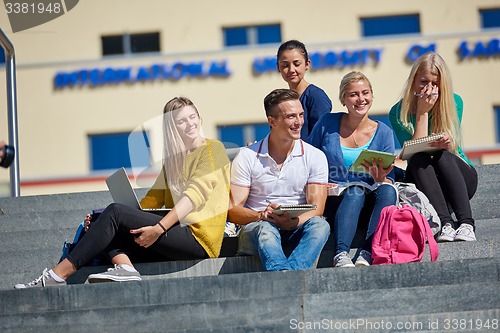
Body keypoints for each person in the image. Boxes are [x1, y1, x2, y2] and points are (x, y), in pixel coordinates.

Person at [15, 97, 231, 288]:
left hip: (198, 238)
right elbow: (151, 201)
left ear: (200, 119)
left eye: (193, 117)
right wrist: (105, 221)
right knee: (106, 223)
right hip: (176, 233)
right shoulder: (173, 161)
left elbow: (194, 196)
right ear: (172, 128)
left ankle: (56, 275)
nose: (190, 123)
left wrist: (159, 227)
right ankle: (126, 269)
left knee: (116, 213)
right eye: (181, 121)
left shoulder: (213, 149)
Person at [228, 89, 330, 271]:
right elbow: (233, 211)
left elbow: (317, 208)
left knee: (321, 226)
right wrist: (261, 216)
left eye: (301, 115)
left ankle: (284, 275)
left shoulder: (315, 156)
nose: (299, 122)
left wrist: (295, 222)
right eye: (291, 116)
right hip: (258, 228)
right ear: (271, 121)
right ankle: (288, 276)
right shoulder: (247, 156)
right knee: (266, 230)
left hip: (297, 227)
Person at [308, 71, 397, 268]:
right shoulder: (327, 124)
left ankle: (367, 251)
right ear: (343, 99)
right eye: (353, 94)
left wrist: (382, 178)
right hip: (334, 199)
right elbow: (308, 158)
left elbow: (389, 177)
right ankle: (341, 254)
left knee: (387, 190)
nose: (361, 99)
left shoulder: (384, 133)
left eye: (365, 93)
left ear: (372, 96)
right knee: (355, 191)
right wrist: (320, 180)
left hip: (369, 202)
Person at [389, 52, 478, 242]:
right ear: (413, 80)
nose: (429, 88)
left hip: (457, 176)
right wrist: (422, 112)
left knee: (442, 155)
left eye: (435, 83)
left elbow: (454, 146)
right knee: (419, 157)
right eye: (423, 82)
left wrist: (448, 143)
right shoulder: (398, 112)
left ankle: (467, 224)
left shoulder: (454, 101)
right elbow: (412, 151)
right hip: (423, 179)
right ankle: (446, 223)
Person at [277, 40, 332, 139]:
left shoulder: (316, 96)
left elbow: (323, 137)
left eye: (297, 64)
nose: (291, 70)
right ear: (278, 67)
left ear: (307, 64)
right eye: (285, 65)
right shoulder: (281, 100)